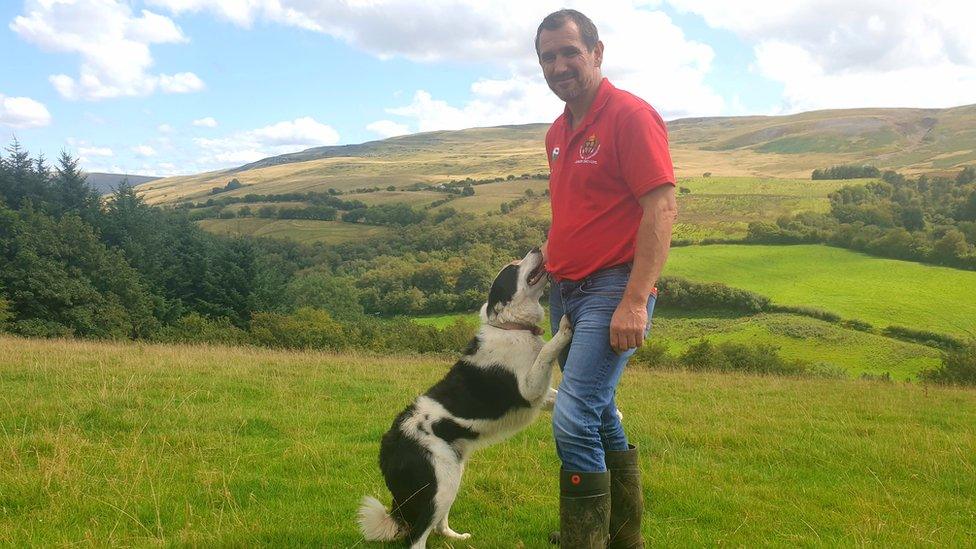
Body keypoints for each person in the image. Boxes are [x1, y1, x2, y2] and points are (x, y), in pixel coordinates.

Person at [533, 9, 677, 548]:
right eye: (548, 57)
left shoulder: (630, 116)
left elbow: (661, 208)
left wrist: (636, 301)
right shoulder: (556, 131)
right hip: (567, 292)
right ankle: (621, 537)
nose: (559, 65)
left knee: (572, 417)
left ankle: (584, 543)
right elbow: (575, 210)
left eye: (570, 52)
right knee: (595, 411)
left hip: (613, 289)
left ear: (597, 52)